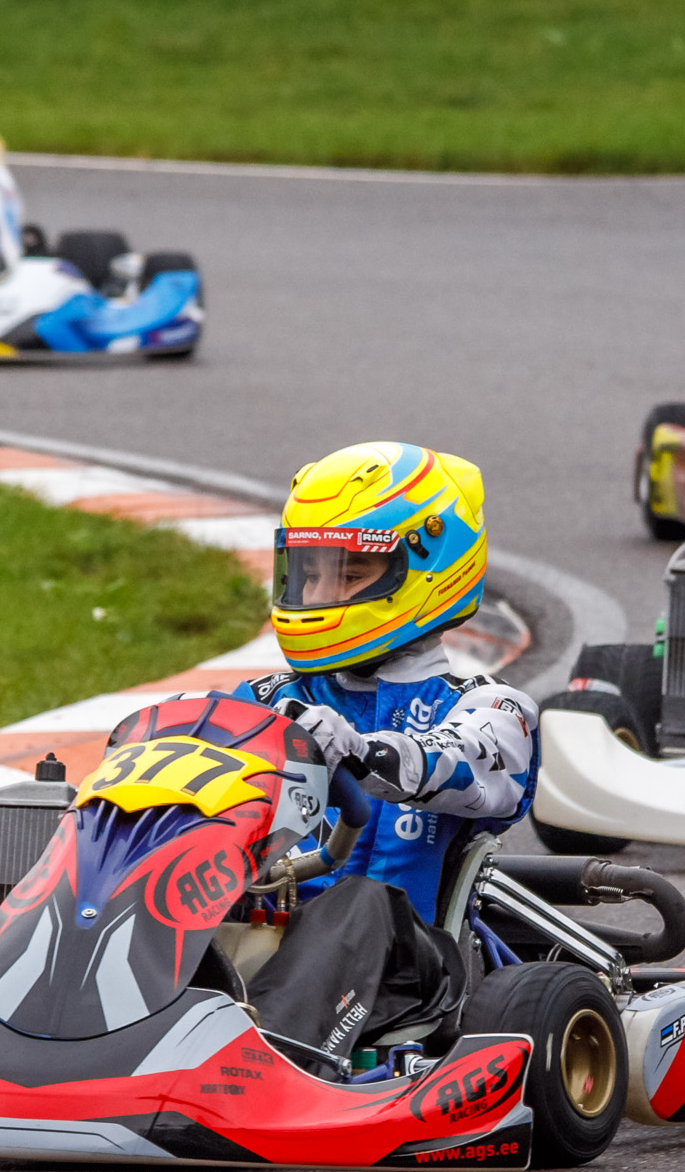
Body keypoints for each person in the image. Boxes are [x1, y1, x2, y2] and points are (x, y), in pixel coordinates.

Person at [229, 441, 539, 1078]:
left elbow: (460, 763)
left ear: (427, 569)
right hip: (261, 936)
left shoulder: (488, 705)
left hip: (405, 969)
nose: (320, 592)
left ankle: (262, 1068)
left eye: (349, 574)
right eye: (309, 573)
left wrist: (360, 750)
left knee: (358, 900)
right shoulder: (266, 698)